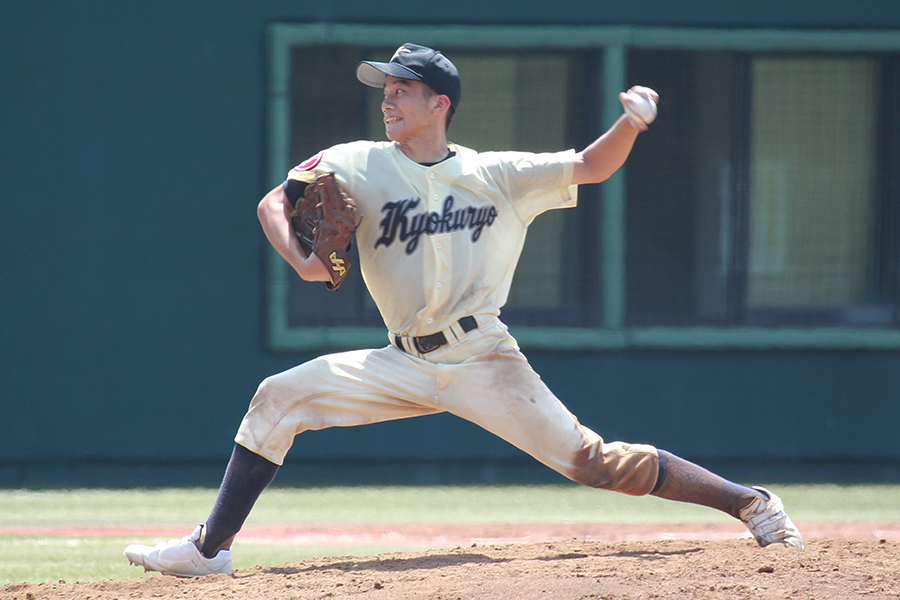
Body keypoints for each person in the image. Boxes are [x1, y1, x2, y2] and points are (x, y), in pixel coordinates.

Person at [125, 43, 803, 578]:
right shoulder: (357, 161)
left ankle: (750, 501)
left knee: (594, 461)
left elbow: (590, 168)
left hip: (484, 357)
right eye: (384, 91)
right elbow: (275, 201)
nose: (387, 101)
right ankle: (210, 549)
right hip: (400, 358)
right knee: (277, 398)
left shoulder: (496, 175)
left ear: (438, 102)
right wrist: (300, 260)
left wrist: (630, 122)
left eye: (402, 91)